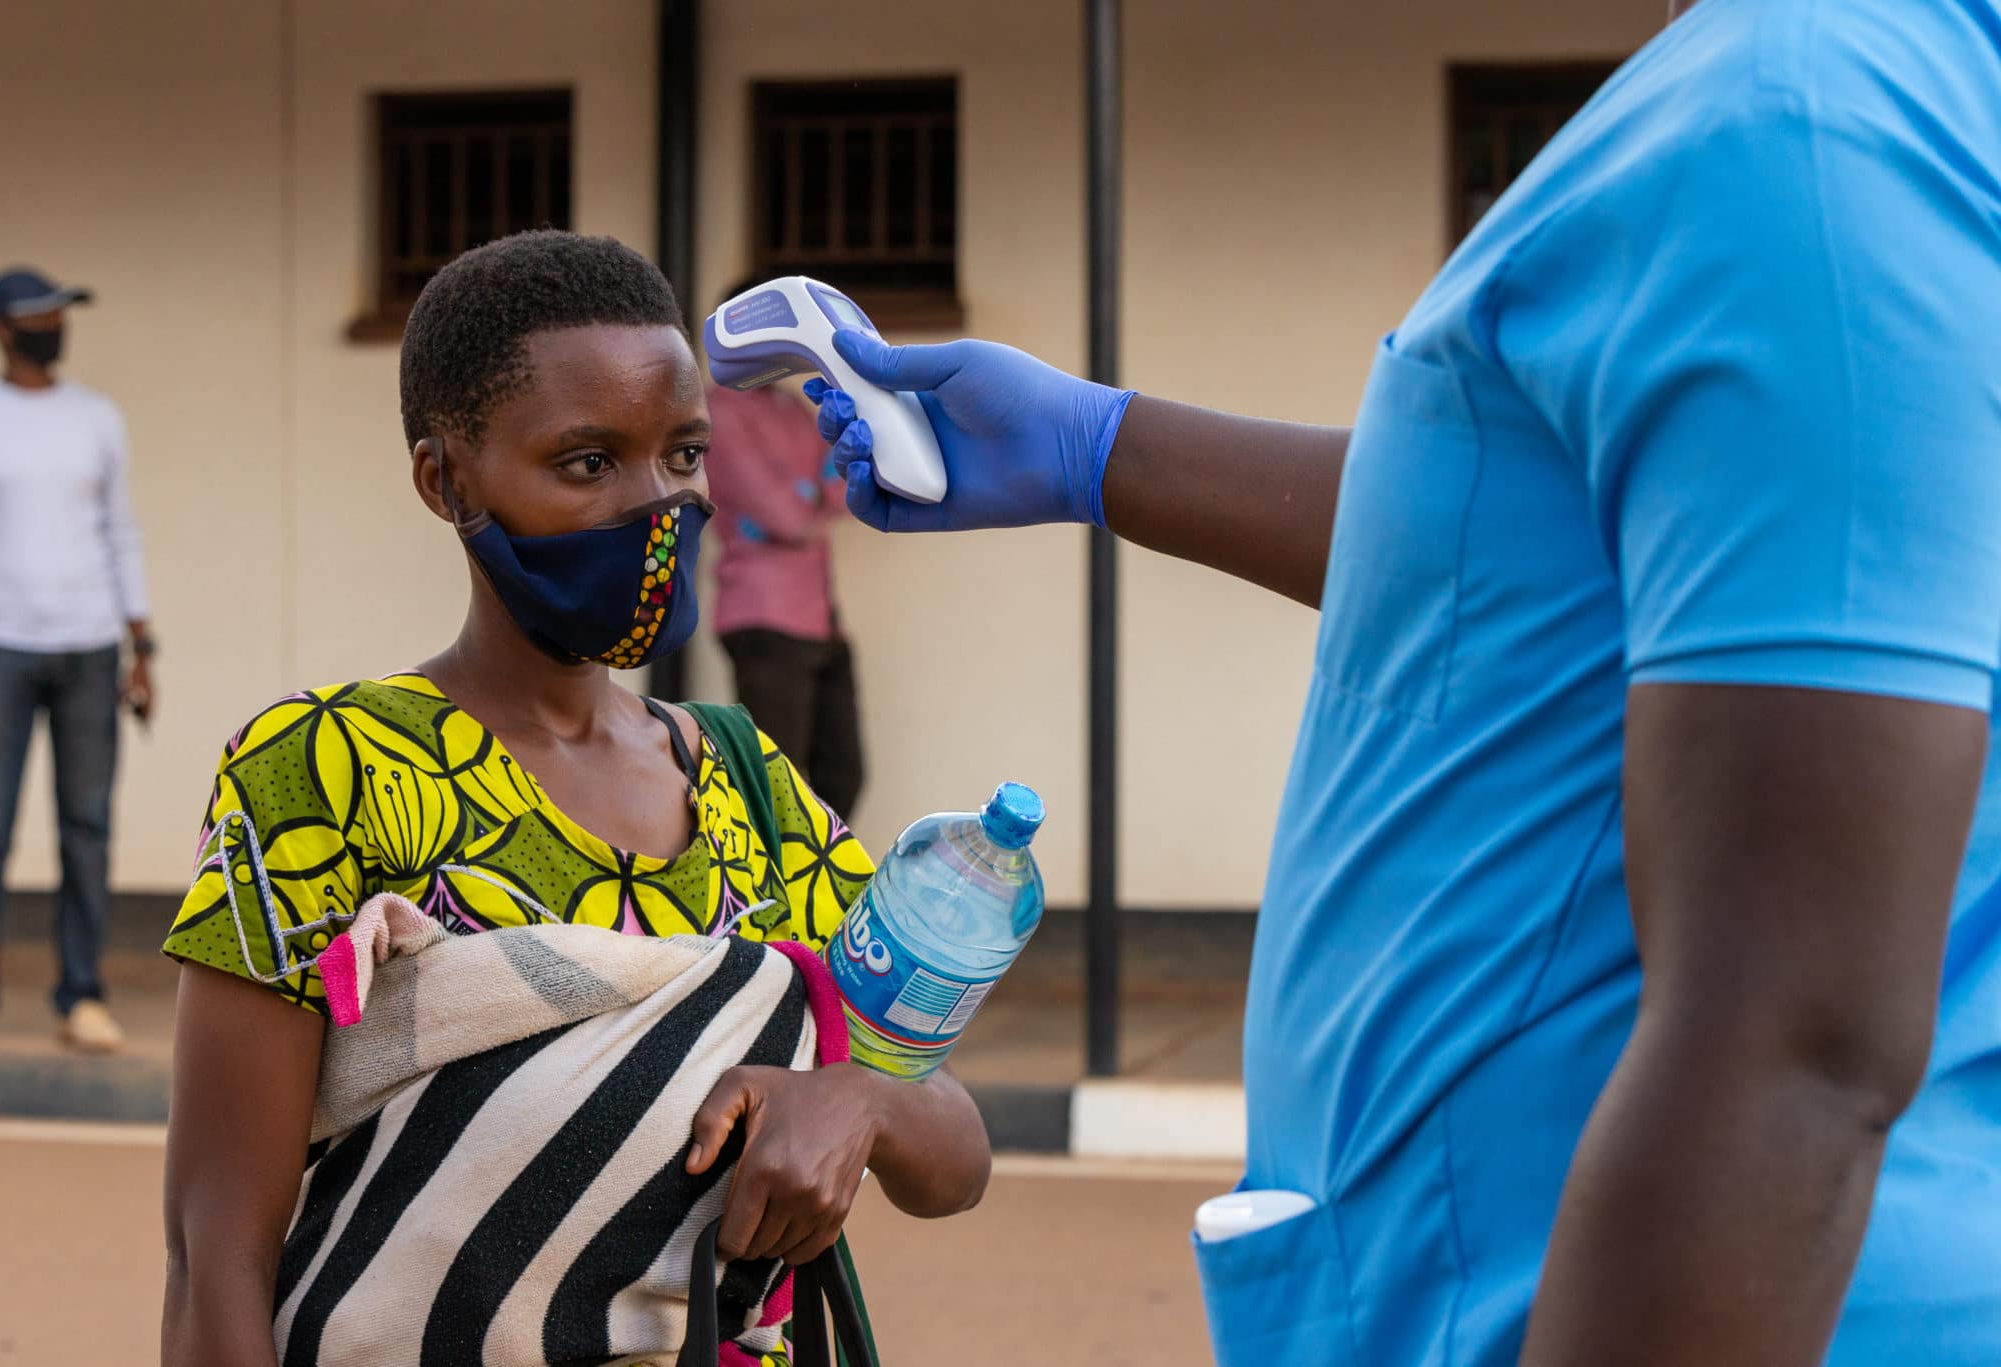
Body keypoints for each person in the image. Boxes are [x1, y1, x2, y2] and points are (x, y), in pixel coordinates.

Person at [804, 0, 2001, 1362]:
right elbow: (1537, 544)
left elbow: (1793, 1032)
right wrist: (1097, 447)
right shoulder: (1882, 110)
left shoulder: (1802, 116)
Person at [158, 231, 990, 1367]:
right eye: (587, 461)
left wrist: (863, 1103)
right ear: (444, 478)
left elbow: (953, 1160)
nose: (656, 503)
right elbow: (217, 1249)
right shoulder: (332, 765)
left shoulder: (747, 781)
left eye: (682, 454)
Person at [0, 267, 155, 1058]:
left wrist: (141, 643)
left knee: (86, 828)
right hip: (2, 648)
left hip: (89, 645)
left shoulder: (97, 419)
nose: (56, 326)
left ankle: (82, 995)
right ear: (4, 327)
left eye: (61, 314)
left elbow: (120, 530)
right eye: (42, 315)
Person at [705, 283, 864, 818]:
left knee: (844, 775)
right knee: (778, 790)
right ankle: (772, 902)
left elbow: (849, 485)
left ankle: (816, 898)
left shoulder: (794, 407)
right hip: (763, 613)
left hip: (821, 615)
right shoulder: (718, 412)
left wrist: (808, 494)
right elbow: (785, 516)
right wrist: (808, 493)